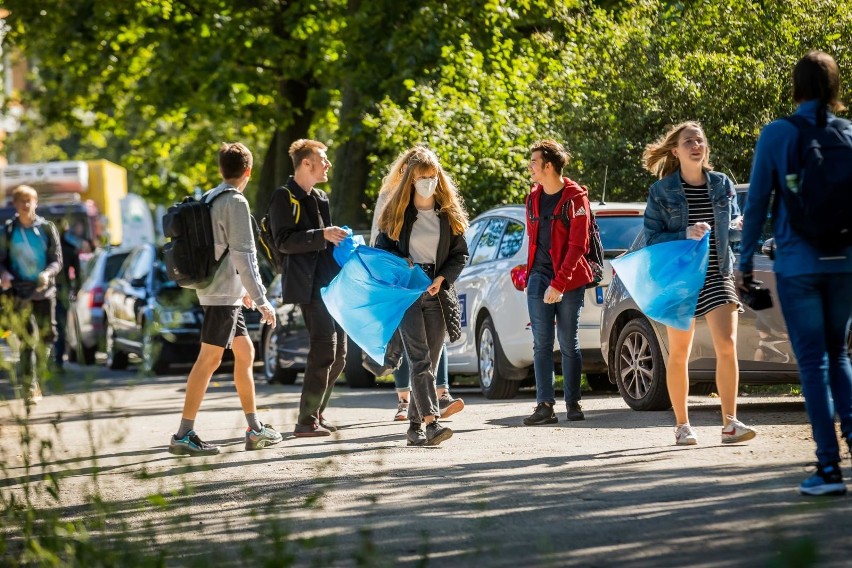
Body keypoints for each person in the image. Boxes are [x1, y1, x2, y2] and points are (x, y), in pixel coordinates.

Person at [738, 50, 852, 496]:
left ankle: (828, 469)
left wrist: (745, 262)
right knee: (839, 354)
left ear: (796, 86)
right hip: (844, 262)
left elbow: (756, 204)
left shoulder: (778, 134)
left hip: (799, 263)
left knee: (812, 362)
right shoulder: (848, 133)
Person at [643, 122, 756, 446]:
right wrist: (684, 234)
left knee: (727, 344)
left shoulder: (722, 184)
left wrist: (740, 227)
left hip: (717, 272)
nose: (696, 145)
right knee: (680, 351)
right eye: (688, 141)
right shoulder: (661, 191)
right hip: (680, 276)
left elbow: (732, 229)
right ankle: (682, 425)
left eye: (700, 140)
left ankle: (730, 423)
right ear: (676, 151)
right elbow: (651, 238)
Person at [168, 142, 282, 456]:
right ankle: (183, 433)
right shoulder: (235, 202)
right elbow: (245, 255)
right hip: (221, 296)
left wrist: (243, 291)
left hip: (223, 292)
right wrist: (261, 299)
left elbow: (221, 251)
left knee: (244, 353)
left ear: (222, 169)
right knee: (209, 361)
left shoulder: (210, 197)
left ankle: (255, 428)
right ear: (248, 170)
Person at [375, 146, 469, 446]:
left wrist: (442, 278)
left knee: (429, 359)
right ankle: (432, 424)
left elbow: (460, 255)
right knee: (419, 360)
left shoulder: (448, 214)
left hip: (438, 293)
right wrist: (402, 265)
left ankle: (414, 427)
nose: (427, 182)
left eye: (431, 176)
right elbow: (382, 253)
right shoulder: (397, 214)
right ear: (410, 180)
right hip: (408, 294)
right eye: (421, 177)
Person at [270, 139, 349, 438]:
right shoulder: (283, 196)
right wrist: (322, 234)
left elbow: (327, 243)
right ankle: (305, 422)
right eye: (323, 158)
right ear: (306, 163)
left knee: (340, 353)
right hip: (306, 284)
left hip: (330, 283)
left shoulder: (320, 197)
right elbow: (284, 241)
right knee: (324, 348)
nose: (327, 164)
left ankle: (316, 413)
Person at [522, 140, 592, 426]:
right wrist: (533, 277)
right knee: (541, 343)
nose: (530, 167)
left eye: (534, 162)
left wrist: (560, 283)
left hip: (569, 279)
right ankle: (544, 406)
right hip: (539, 277)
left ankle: (573, 403)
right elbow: (533, 240)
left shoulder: (576, 199)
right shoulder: (532, 199)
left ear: (548, 166)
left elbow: (578, 246)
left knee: (567, 341)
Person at [0, 185, 63, 403]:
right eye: (21, 201)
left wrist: (47, 273)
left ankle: (39, 376)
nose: (26, 205)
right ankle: (30, 385)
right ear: (15, 205)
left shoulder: (46, 228)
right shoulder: (8, 230)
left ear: (36, 202)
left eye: (29, 201)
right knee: (27, 338)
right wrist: (5, 274)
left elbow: (57, 260)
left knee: (47, 336)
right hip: (20, 291)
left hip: (44, 290)